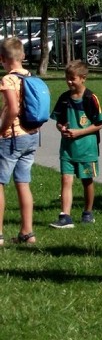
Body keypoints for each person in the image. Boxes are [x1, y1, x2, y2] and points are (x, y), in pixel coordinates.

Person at [48, 60, 102, 229]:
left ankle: (88, 212)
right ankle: (65, 216)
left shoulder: (90, 98)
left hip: (87, 149)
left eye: (72, 78)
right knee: (66, 179)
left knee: (87, 181)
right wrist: (61, 128)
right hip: (67, 148)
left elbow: (99, 123)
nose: (69, 81)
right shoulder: (64, 98)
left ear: (83, 78)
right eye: (67, 78)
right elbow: (59, 121)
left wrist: (79, 132)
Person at [0, 37, 40, 246]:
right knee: (23, 183)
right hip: (32, 136)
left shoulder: (8, 80)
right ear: (23, 56)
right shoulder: (29, 76)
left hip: (12, 137)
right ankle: (27, 232)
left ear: (2, 59)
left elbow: (13, 109)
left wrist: (1, 129)